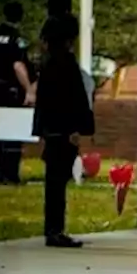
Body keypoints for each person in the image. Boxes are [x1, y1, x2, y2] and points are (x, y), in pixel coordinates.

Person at [32, 14, 94, 248]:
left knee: (54, 180)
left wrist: (42, 128)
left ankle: (53, 228)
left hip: (52, 129)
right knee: (59, 181)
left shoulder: (48, 64)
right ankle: (55, 229)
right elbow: (76, 100)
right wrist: (80, 127)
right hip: (65, 130)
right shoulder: (66, 64)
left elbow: (44, 101)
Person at [0, 1, 35, 184]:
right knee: (11, 134)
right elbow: (18, 65)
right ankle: (9, 174)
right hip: (8, 91)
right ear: (20, 16)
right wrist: (29, 90)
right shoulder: (16, 39)